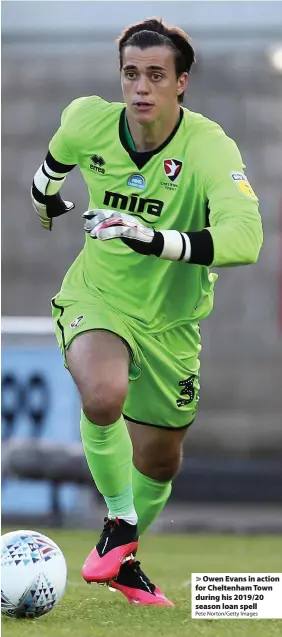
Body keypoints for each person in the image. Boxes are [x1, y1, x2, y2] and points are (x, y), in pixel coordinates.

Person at [31, 18, 263, 606]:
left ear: (181, 82)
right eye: (131, 74)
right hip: (98, 296)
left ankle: (124, 555)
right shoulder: (89, 120)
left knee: (161, 462)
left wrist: (154, 238)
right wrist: (49, 203)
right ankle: (119, 523)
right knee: (103, 395)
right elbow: (49, 173)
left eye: (156, 75)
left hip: (173, 323)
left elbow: (246, 240)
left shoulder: (209, 147)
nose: (140, 88)